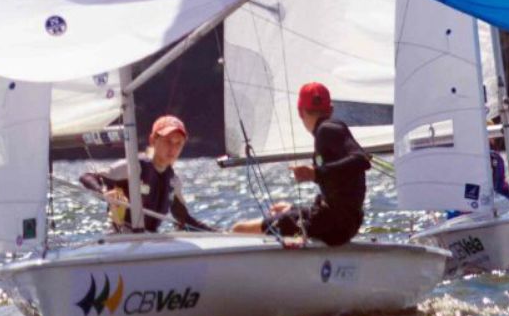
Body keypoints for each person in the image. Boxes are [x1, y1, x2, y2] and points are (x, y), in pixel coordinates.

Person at [233, 82, 368, 247]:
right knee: (284, 212)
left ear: (300, 112)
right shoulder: (330, 129)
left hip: (334, 225)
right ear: (331, 110)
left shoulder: (327, 130)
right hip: (340, 223)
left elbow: (361, 160)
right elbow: (340, 191)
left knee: (240, 229)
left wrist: (315, 173)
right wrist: (293, 209)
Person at [78, 115, 215, 233]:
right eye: (168, 141)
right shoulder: (133, 167)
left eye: (178, 143)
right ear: (153, 140)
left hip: (150, 240)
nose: (173, 148)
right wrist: (103, 192)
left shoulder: (173, 181)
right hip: (120, 240)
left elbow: (185, 220)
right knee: (117, 193)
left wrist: (222, 234)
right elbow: (87, 177)